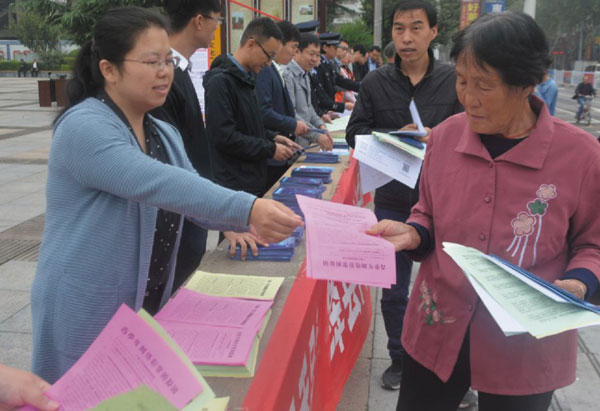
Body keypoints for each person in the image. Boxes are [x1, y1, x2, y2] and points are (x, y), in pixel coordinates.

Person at [31, 7, 303, 383]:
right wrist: (247, 207)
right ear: (109, 69)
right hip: (87, 307)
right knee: (84, 395)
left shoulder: (162, 131)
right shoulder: (84, 126)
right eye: (151, 62)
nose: (165, 72)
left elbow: (191, 196)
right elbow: (157, 183)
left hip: (146, 302)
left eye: (167, 61)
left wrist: (240, 220)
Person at [367, 11, 600, 411]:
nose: (468, 97)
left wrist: (577, 285)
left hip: (524, 344)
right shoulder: (444, 138)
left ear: (527, 84)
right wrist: (415, 232)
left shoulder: (580, 155)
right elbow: (427, 212)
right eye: (461, 81)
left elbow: (593, 244)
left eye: (484, 85)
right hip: (439, 325)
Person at [346, 0, 462, 392]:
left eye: (416, 27)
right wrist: (392, 138)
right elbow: (355, 133)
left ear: (433, 31)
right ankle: (399, 359)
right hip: (394, 197)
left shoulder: (453, 80)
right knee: (394, 288)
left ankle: (448, 370)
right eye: (399, 29)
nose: (406, 37)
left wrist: (437, 137)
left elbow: (475, 128)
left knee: (449, 286)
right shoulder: (375, 82)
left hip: (446, 198)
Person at [204, 18, 302, 198]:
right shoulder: (221, 82)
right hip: (233, 185)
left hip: (252, 179)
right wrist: (270, 149)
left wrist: (273, 137)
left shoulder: (248, 78)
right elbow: (225, 137)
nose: (268, 63)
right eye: (268, 55)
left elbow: (248, 126)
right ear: (251, 44)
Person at [256, 20, 308, 188]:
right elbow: (263, 111)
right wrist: (292, 124)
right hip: (271, 154)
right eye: (293, 47)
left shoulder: (275, 69)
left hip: (281, 147)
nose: (295, 52)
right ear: (280, 43)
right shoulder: (266, 70)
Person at [283, 33, 334, 150]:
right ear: (297, 52)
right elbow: (291, 113)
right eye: (311, 54)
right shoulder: (288, 75)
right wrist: (316, 135)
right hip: (293, 143)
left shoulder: (305, 73)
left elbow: (309, 108)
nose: (315, 59)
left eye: (317, 55)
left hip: (305, 141)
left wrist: (321, 126)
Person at [313, 32, 359, 116]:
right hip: (322, 111)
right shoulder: (319, 66)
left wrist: (363, 86)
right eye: (335, 48)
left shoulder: (329, 64)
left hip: (328, 110)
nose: (337, 50)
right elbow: (321, 96)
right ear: (325, 47)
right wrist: (342, 106)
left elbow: (341, 80)